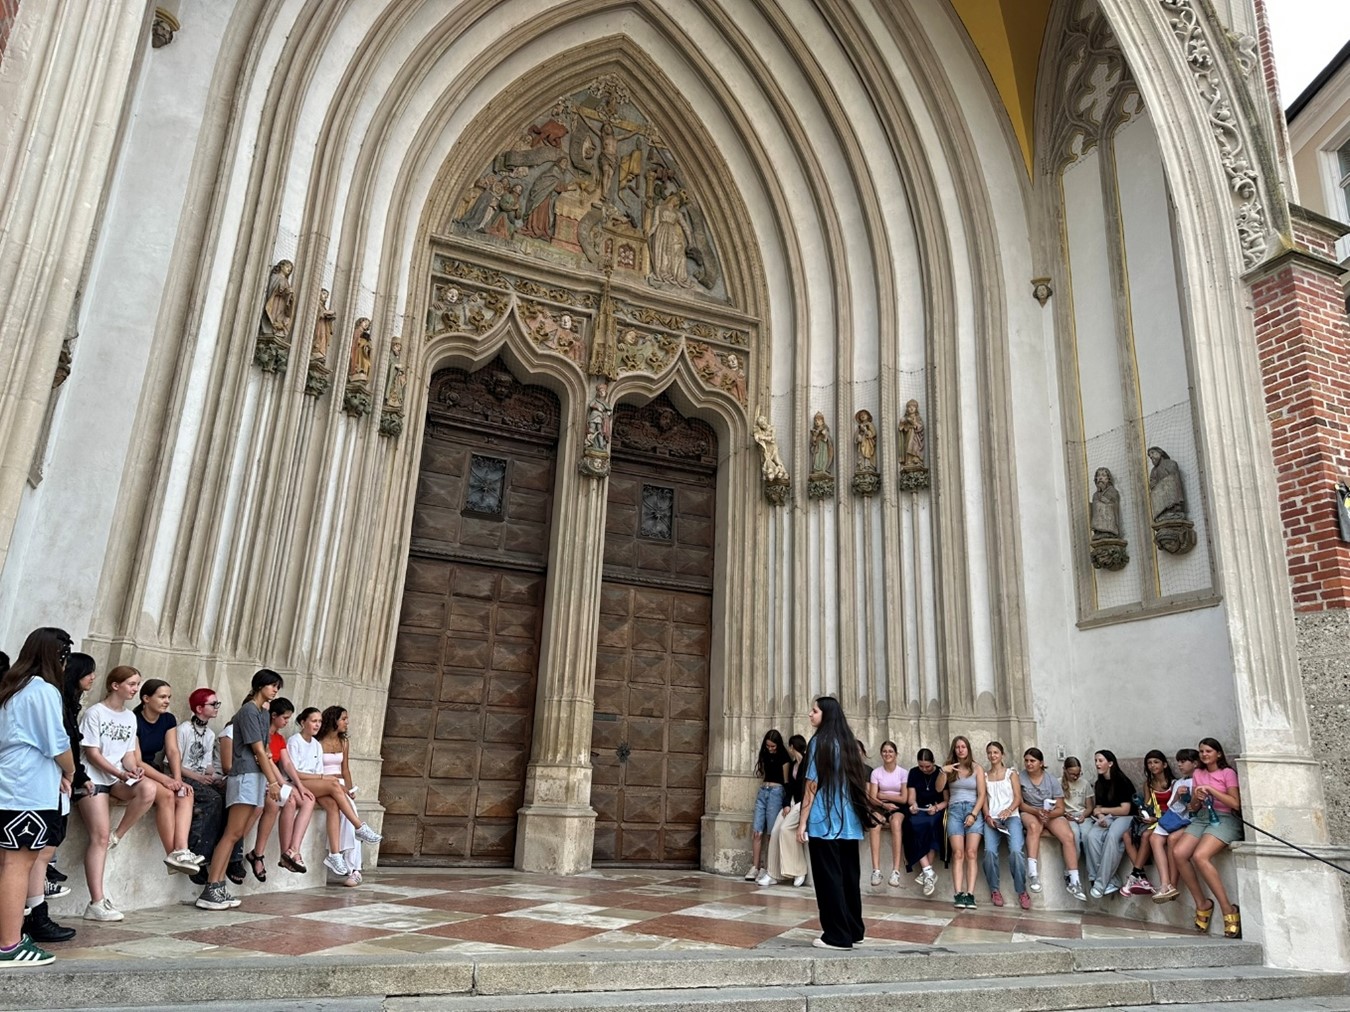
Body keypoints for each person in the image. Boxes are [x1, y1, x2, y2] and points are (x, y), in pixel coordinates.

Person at [0, 631, 77, 966]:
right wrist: (70, 771)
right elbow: (56, 742)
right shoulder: (42, 690)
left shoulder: (11, 687)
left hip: (10, 784)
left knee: (8, 865)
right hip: (27, 790)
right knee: (18, 865)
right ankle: (9, 944)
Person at [196, 670, 287, 910]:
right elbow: (257, 750)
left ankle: (218, 885)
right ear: (260, 686)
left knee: (237, 834)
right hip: (244, 775)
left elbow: (265, 751)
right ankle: (211, 888)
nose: (275, 690)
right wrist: (274, 782)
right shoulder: (248, 711)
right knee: (232, 833)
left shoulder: (262, 713)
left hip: (255, 777)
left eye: (278, 686)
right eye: (272, 685)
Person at [76, 665, 162, 921]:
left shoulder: (129, 717)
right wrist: (121, 773)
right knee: (98, 838)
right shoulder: (95, 713)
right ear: (116, 685)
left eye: (137, 684)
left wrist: (133, 771)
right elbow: (92, 753)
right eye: (132, 684)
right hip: (92, 778)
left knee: (149, 788)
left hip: (117, 778)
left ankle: (119, 834)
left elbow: (127, 754)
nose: (136, 689)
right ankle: (96, 902)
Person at [795, 697, 870, 950]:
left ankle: (837, 935)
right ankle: (854, 929)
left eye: (814, 710)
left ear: (825, 714)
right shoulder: (848, 742)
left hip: (824, 820)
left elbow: (812, 785)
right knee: (849, 876)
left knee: (829, 878)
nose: (810, 714)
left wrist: (802, 822)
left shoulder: (819, 742)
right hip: (849, 820)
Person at [290, 706, 382, 883]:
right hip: (322, 783)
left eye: (319, 721)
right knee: (337, 792)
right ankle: (360, 828)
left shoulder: (341, 742)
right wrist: (327, 780)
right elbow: (301, 770)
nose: (347, 722)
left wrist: (348, 787)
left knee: (340, 809)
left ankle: (342, 860)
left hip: (332, 785)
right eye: (343, 719)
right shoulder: (309, 741)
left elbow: (345, 769)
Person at [132, 680, 205, 875]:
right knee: (168, 794)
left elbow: (173, 751)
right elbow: (137, 761)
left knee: (186, 793)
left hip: (154, 769)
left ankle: (181, 850)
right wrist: (166, 780)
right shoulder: (134, 719)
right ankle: (172, 854)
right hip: (136, 770)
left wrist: (178, 780)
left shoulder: (168, 719)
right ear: (146, 699)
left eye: (169, 697)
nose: (166, 701)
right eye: (162, 697)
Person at [1173, 738, 1242, 938]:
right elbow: (1193, 808)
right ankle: (1202, 903)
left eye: (1208, 751)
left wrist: (1212, 791)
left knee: (1200, 856)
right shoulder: (1198, 773)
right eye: (1201, 751)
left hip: (1224, 818)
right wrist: (1195, 798)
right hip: (1202, 817)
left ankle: (1228, 909)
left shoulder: (1227, 773)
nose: (1204, 754)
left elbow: (1235, 804)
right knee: (1178, 853)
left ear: (1218, 754)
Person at [245, 698, 316, 879]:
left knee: (308, 798)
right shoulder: (262, 735)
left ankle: (293, 850)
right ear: (273, 716)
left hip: (275, 780)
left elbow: (287, 763)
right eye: (284, 718)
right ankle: (283, 852)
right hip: (266, 779)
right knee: (289, 800)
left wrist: (299, 786)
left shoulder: (279, 738)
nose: (286, 722)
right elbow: (268, 762)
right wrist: (284, 785)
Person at [175, 688, 239, 887]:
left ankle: (231, 856)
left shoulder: (210, 733)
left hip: (201, 778)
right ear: (199, 708)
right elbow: (174, 763)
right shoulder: (184, 729)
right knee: (212, 800)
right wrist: (198, 777)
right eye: (213, 704)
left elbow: (208, 764)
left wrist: (216, 776)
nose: (217, 708)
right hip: (184, 777)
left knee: (233, 799)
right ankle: (198, 854)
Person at [1018, 747, 1085, 901]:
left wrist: (1047, 814)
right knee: (1034, 828)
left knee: (1069, 835)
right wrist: (1037, 812)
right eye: (1027, 761)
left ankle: (1074, 880)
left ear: (1041, 763)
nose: (1029, 764)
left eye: (1032, 761)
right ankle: (1033, 874)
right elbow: (1020, 804)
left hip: (1050, 813)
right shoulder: (1020, 777)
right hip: (1030, 811)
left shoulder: (1051, 780)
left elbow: (1060, 808)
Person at [1120, 749, 1176, 897]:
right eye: (1149, 763)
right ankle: (1141, 877)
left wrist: (1156, 819)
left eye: (1156, 762)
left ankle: (1135, 874)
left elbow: (1176, 809)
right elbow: (1147, 805)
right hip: (1153, 818)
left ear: (1164, 764)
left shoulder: (1173, 783)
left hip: (1169, 819)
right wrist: (1143, 813)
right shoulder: (1148, 784)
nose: (1152, 765)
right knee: (1127, 835)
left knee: (1146, 835)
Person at [980, 741, 1029, 909]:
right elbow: (984, 798)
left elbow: (1018, 798)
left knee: (1016, 851)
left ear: (1002, 754)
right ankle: (995, 890)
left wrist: (1008, 810)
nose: (992, 755)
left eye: (995, 752)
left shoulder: (1011, 774)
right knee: (989, 853)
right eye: (990, 753)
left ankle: (1022, 891)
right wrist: (987, 816)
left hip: (1011, 817)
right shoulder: (985, 776)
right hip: (992, 818)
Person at [1084, 749, 1136, 898]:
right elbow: (1097, 808)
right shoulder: (1099, 784)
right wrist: (1100, 816)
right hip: (1108, 817)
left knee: (1112, 837)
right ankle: (1102, 878)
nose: (1097, 764)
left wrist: (1103, 810)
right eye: (1095, 761)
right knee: (1091, 836)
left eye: (1100, 761)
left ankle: (1100, 885)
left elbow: (1125, 810)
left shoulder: (1122, 782)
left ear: (1111, 763)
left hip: (1126, 818)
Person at [759, 734, 809, 888]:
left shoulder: (808, 764)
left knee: (786, 829)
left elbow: (810, 788)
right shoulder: (794, 764)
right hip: (792, 803)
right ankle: (773, 874)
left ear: (792, 747)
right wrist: (786, 804)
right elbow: (788, 787)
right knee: (775, 831)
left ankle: (799, 870)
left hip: (804, 803)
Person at [943, 735, 986, 910]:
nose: (960, 750)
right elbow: (940, 789)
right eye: (957, 747)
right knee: (958, 853)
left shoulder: (977, 768)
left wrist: (974, 814)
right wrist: (942, 772)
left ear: (968, 749)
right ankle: (958, 893)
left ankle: (970, 893)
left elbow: (982, 794)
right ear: (954, 749)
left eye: (963, 747)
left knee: (971, 852)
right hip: (954, 810)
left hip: (972, 810)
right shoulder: (949, 769)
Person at [1152, 748, 1199, 903]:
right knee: (1154, 838)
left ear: (1195, 763)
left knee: (1173, 839)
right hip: (1177, 818)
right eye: (1178, 761)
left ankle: (1172, 884)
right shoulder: (1179, 782)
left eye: (1183, 761)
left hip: (1191, 821)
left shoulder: (1198, 781)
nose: (1180, 765)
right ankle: (1164, 882)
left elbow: (1195, 808)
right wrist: (1178, 795)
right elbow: (1172, 805)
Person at [745, 730, 789, 882]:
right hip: (763, 791)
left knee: (771, 833)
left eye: (773, 746)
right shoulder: (764, 754)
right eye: (768, 746)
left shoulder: (784, 757)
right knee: (757, 831)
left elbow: (786, 781)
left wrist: (786, 802)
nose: (770, 749)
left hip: (776, 792)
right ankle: (755, 866)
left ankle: (769, 868)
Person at [904, 748, 947, 896]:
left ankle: (927, 872)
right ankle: (928, 871)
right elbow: (911, 797)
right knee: (913, 825)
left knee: (932, 825)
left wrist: (936, 807)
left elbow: (947, 800)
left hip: (936, 810)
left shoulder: (940, 772)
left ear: (933, 763)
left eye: (927, 766)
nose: (924, 769)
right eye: (921, 766)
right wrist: (913, 805)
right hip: (920, 811)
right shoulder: (914, 773)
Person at [867, 741, 906, 887]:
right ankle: (876, 870)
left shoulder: (903, 773)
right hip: (880, 806)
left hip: (898, 807)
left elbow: (904, 798)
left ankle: (895, 871)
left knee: (896, 823)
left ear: (896, 754)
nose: (887, 754)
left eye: (890, 751)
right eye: (884, 751)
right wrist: (883, 803)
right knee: (875, 822)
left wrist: (884, 796)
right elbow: (872, 797)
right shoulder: (876, 772)